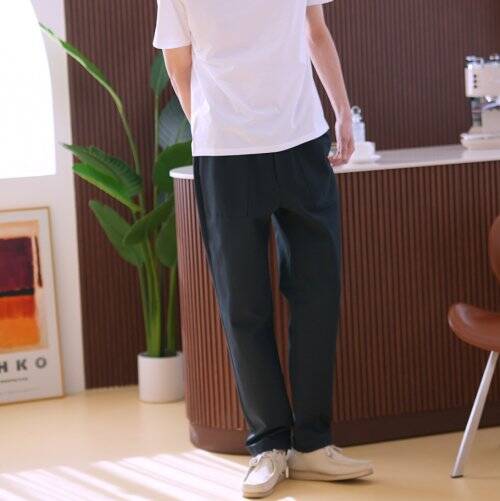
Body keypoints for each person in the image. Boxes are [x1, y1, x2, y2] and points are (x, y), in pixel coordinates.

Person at [153, 0, 374, 497]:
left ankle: (313, 443)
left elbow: (315, 29)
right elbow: (177, 60)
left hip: (303, 140)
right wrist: (208, 124)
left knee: (318, 295)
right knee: (243, 305)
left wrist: (342, 111)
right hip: (226, 153)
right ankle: (268, 446)